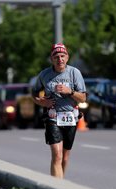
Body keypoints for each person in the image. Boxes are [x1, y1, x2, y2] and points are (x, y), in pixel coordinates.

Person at [31, 43, 86, 179]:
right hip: (52, 117)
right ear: (52, 59)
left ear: (67, 57)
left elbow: (83, 98)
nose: (60, 59)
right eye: (56, 56)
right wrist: (42, 102)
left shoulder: (74, 73)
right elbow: (34, 94)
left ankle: (60, 183)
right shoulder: (44, 75)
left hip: (70, 117)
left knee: (65, 158)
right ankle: (58, 188)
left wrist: (70, 91)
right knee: (57, 155)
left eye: (62, 56)